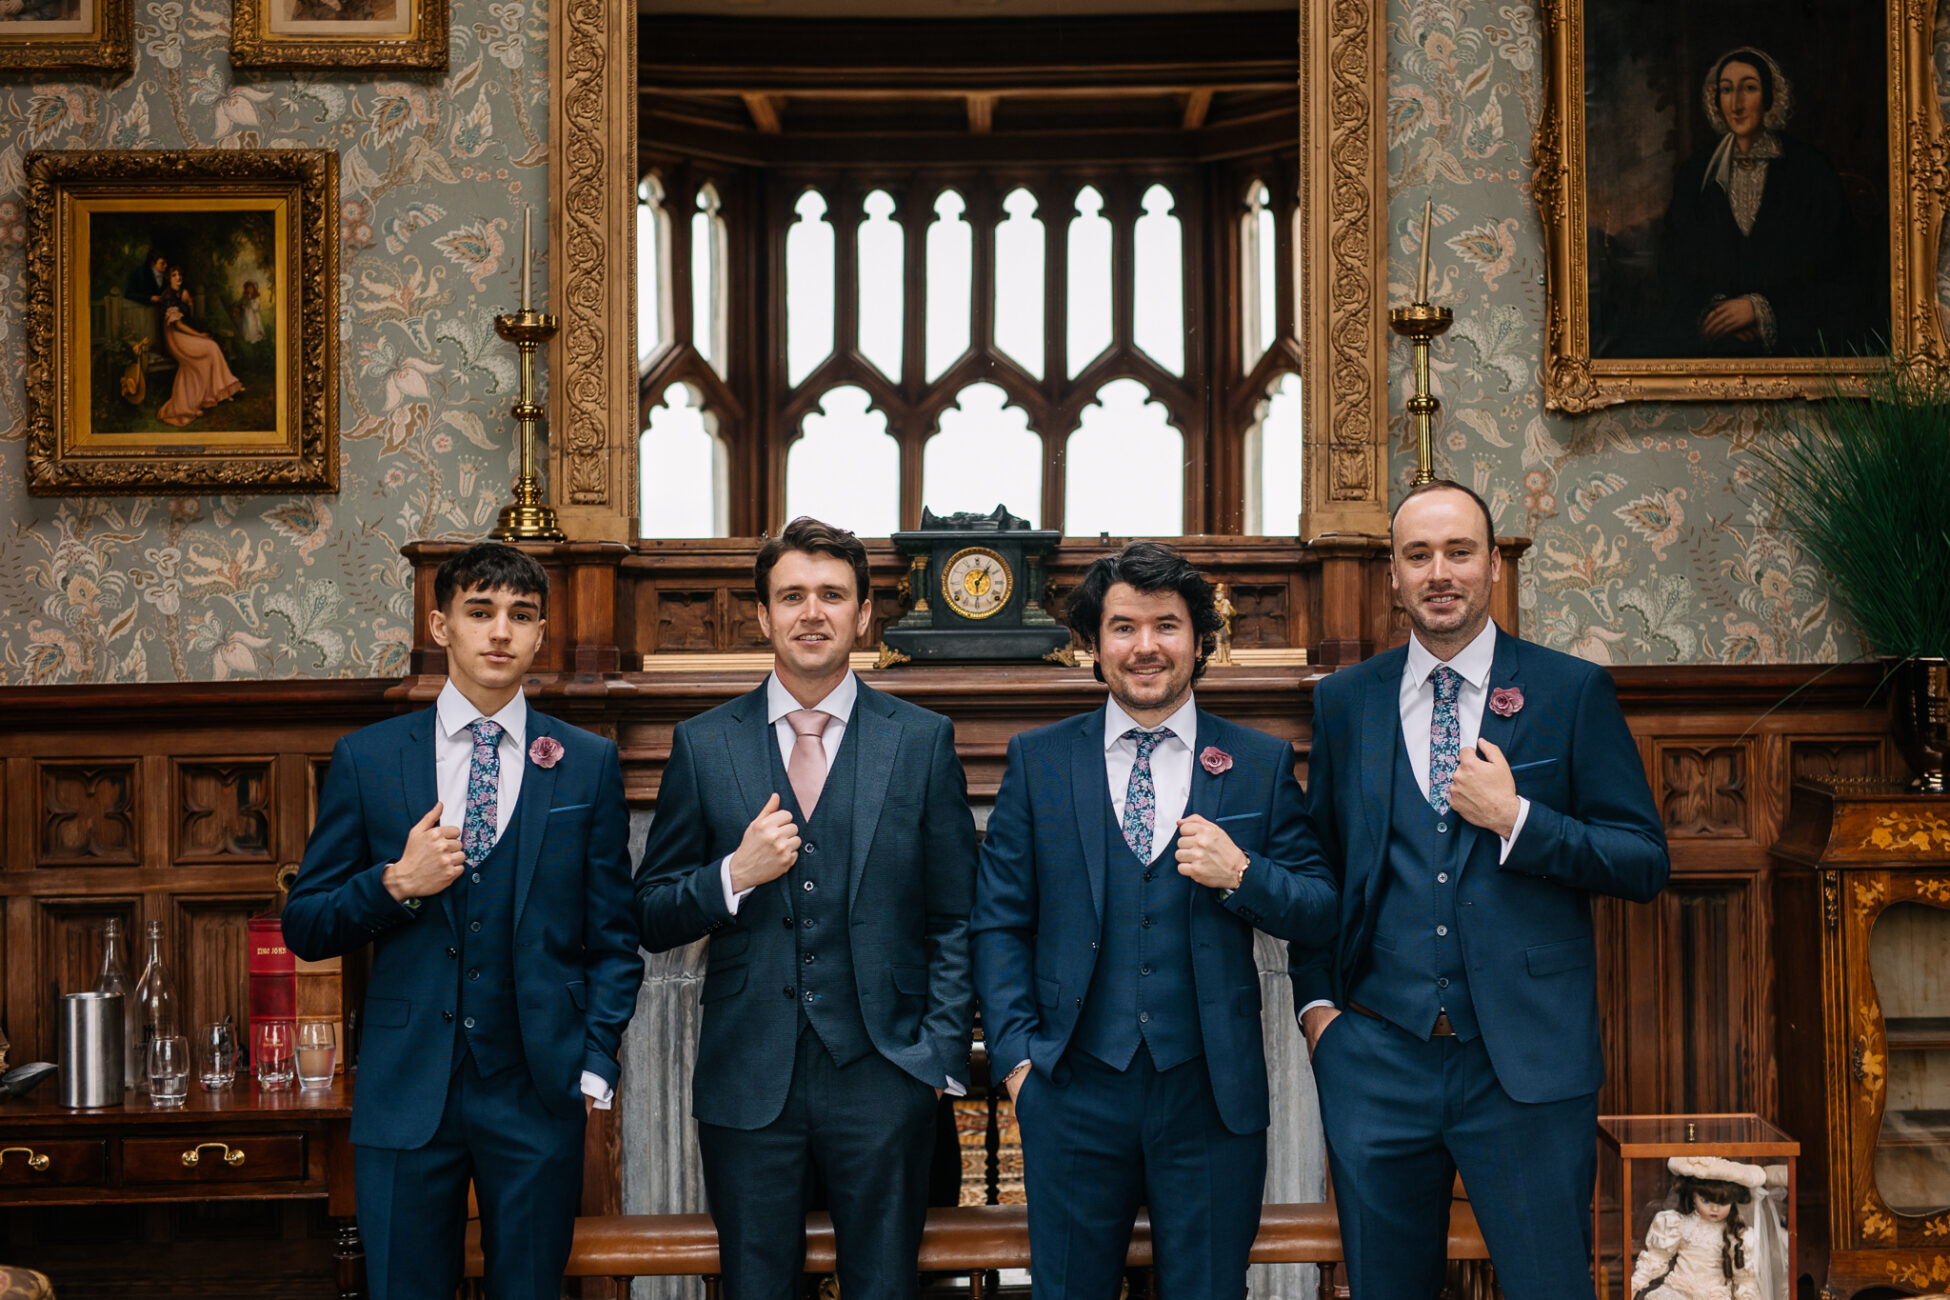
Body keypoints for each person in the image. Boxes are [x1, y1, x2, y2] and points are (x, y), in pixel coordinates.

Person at [1292, 479, 1669, 1300]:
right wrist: (1319, 1013)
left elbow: (1642, 860)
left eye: (1459, 552)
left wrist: (1519, 820)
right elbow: (1321, 864)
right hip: (1375, 1057)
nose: (1439, 572)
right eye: (1417, 555)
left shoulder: (1570, 692)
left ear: (1493, 565)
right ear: (1392, 574)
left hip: (1525, 1067)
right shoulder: (1346, 702)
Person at [972, 541, 1337, 1300]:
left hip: (1211, 1097)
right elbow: (998, 922)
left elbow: (1322, 909)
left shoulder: (1258, 763)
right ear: (1093, 645)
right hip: (1070, 1089)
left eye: (1167, 625)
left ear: (1199, 640)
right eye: (1124, 627)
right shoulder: (1039, 762)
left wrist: (1244, 876)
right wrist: (1017, 1067)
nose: (1146, 647)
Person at [283, 542, 641, 1300]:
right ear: (442, 626)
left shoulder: (584, 763)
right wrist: (394, 884)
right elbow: (307, 925)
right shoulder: (368, 759)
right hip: (406, 1089)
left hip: (537, 1092)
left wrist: (595, 1063)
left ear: (541, 634)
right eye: (480, 613)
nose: (500, 632)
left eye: (520, 616)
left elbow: (615, 938)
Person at [634, 516, 978, 1300]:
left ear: (863, 615)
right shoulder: (703, 744)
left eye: (832, 595)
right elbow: (651, 912)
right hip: (748, 1084)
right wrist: (733, 874)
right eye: (792, 596)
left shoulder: (922, 741)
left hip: (887, 1078)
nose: (811, 613)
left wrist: (935, 1059)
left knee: (888, 1289)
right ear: (762, 616)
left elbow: (956, 916)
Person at [1653, 46, 1878, 357]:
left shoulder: (1810, 168)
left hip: (1795, 342)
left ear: (1770, 97)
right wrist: (1713, 313)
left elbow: (1838, 269)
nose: (1737, 104)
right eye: (1726, 90)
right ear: (1715, 101)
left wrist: (1761, 312)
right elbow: (1674, 264)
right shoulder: (1695, 173)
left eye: (1749, 88)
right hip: (1714, 348)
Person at [1630, 1157, 1765, 1300]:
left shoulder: (1736, 1234)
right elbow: (1656, 1258)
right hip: (1677, 1292)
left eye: (1723, 1203)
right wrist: (1635, 1283)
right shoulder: (1678, 1224)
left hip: (1714, 1295)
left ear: (1733, 1202)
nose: (1714, 1208)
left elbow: (1744, 1279)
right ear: (1694, 1197)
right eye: (1706, 1201)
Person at [156, 267, 244, 428]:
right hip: (175, 338)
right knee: (210, 347)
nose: (178, 277)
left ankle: (215, 393)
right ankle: (224, 387)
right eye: (174, 275)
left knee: (209, 351)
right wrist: (199, 336)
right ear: (168, 279)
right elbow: (179, 325)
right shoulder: (168, 297)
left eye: (180, 274)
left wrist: (188, 302)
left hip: (183, 336)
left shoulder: (181, 294)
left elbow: (189, 318)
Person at [238, 280, 266, 345]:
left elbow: (255, 308)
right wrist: (243, 305)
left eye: (251, 288)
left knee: (252, 326)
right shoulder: (245, 296)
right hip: (247, 315)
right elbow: (242, 303)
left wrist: (250, 300)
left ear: (254, 289)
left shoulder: (256, 298)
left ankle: (255, 341)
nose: (249, 289)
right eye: (248, 288)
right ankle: (247, 340)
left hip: (254, 316)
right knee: (247, 326)